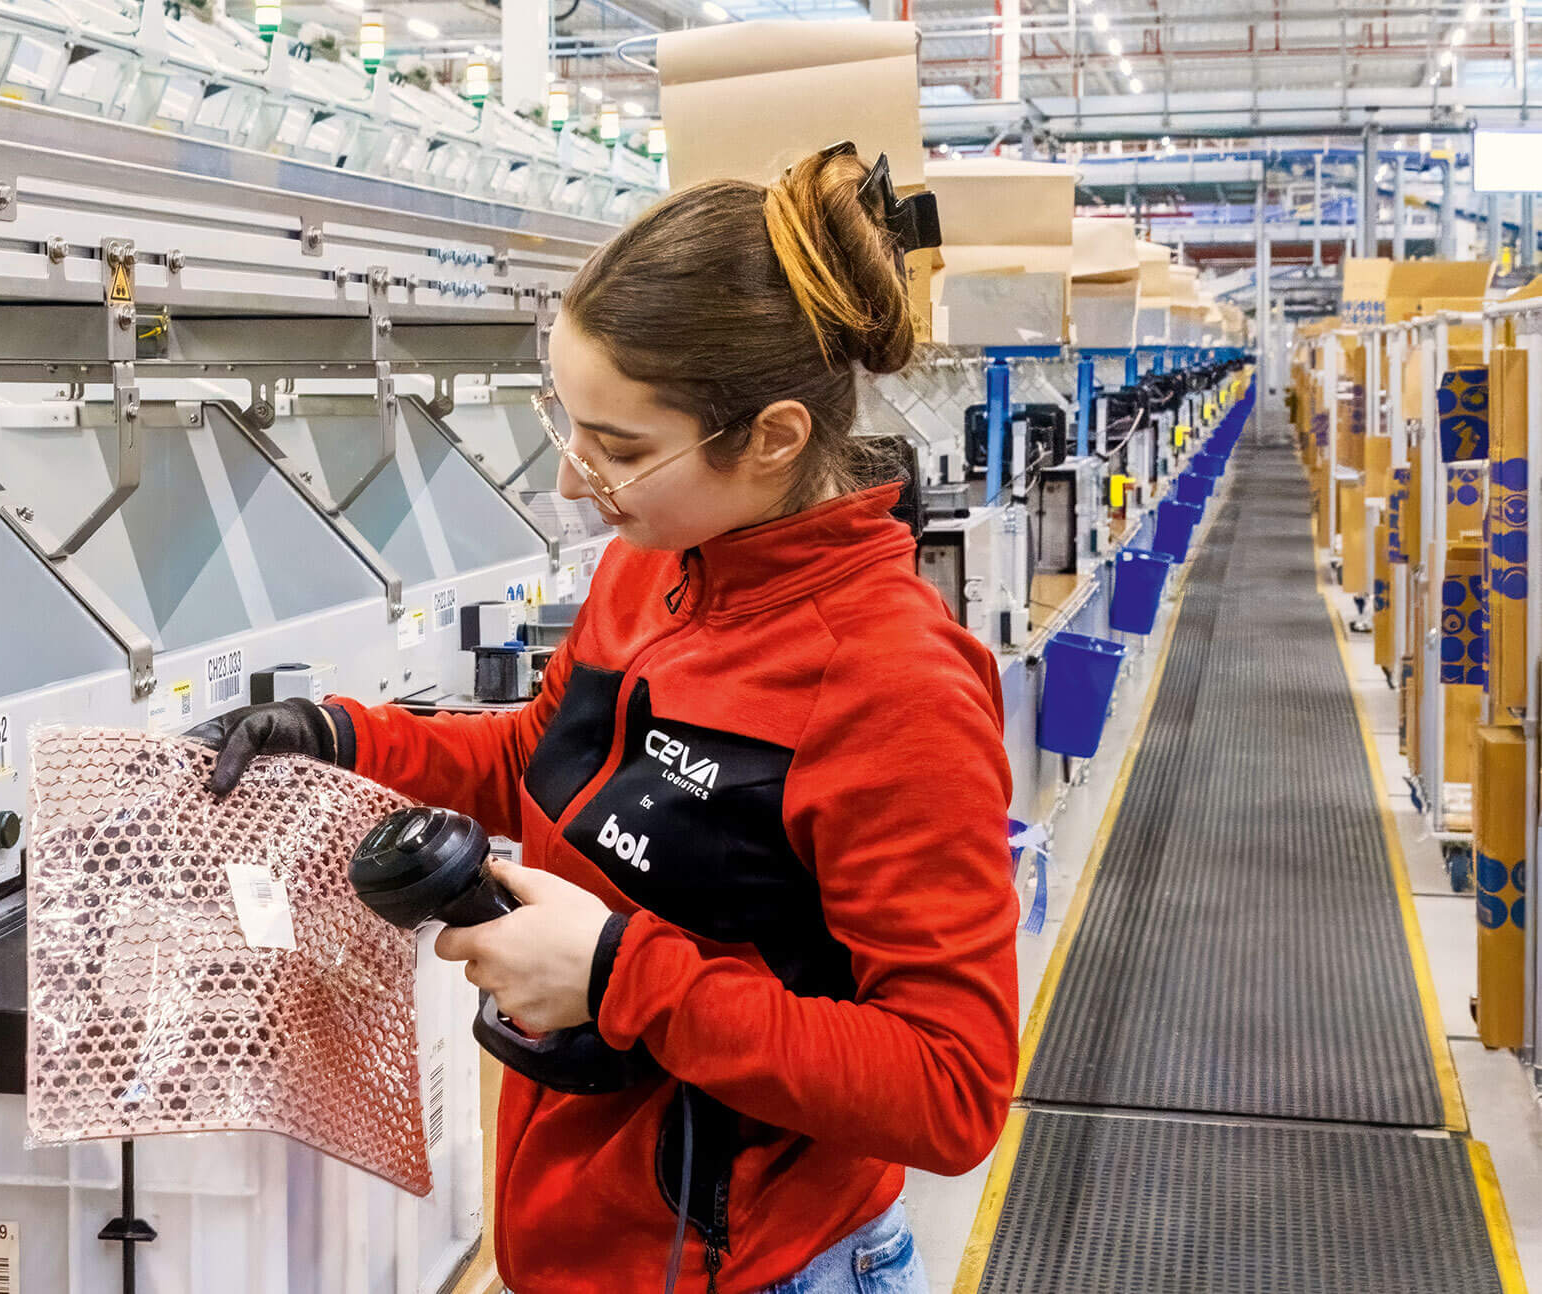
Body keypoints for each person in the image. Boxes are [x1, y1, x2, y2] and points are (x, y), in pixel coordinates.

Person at [193, 145, 1018, 1294]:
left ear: (772, 438)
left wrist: (619, 975)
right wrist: (341, 737)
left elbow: (948, 1086)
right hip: (582, 1245)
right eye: (568, 425)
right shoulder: (658, 563)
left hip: (758, 1271)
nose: (576, 480)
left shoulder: (890, 685)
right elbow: (549, 760)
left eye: (620, 447)